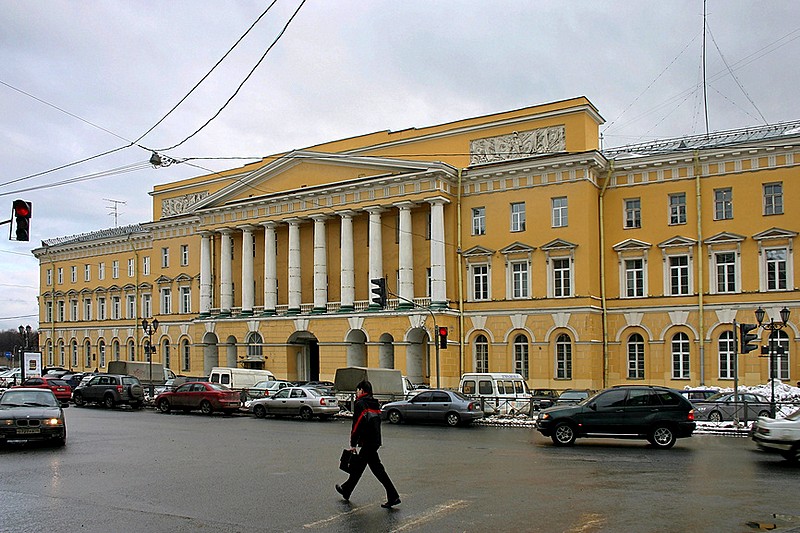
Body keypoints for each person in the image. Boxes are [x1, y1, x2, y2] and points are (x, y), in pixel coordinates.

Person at [336, 380, 400, 508]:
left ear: (362, 391)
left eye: (358, 390)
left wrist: (353, 443)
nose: (356, 392)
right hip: (375, 440)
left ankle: (393, 496)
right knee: (371, 468)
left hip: (367, 441)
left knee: (370, 469)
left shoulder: (361, 404)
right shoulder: (374, 403)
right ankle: (347, 489)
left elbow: (357, 425)